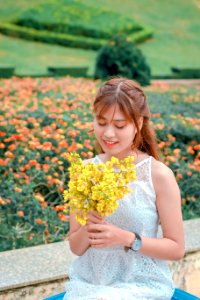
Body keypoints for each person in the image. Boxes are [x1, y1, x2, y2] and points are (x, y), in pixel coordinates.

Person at [64, 77, 185, 300]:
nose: (108, 134)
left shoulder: (158, 175)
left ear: (138, 123)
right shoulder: (85, 172)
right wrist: (90, 224)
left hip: (142, 287)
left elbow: (176, 248)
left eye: (119, 125)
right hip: (90, 285)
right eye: (101, 123)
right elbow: (76, 246)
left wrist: (126, 238)